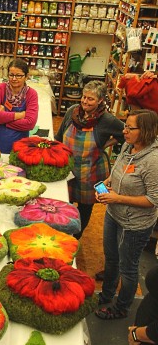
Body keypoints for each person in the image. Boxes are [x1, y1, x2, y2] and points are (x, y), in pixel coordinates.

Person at [95, 109, 158, 320]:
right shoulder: (128, 146)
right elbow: (118, 172)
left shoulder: (153, 161)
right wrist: (106, 184)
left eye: (130, 128)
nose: (124, 131)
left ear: (146, 131)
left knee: (128, 267)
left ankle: (121, 307)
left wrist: (118, 198)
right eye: (125, 126)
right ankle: (106, 294)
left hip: (135, 224)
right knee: (111, 259)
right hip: (114, 214)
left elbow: (153, 200)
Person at [56, 80, 124, 238]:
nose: (85, 101)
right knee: (64, 203)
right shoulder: (72, 111)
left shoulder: (107, 120)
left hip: (91, 172)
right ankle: (62, 234)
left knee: (85, 208)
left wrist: (106, 144)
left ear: (100, 100)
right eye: (84, 97)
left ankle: (76, 237)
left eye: (90, 99)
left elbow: (125, 134)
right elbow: (59, 137)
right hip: (68, 169)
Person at [0, 58, 38, 154]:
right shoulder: (0, 88)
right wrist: (19, 115)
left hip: (19, 145)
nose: (14, 79)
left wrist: (2, 118)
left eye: (18, 76)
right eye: (11, 75)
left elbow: (30, 123)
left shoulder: (31, 94)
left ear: (26, 77)